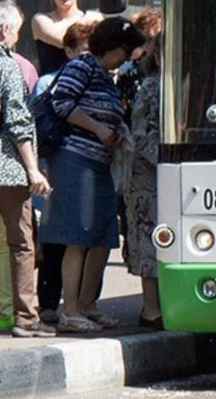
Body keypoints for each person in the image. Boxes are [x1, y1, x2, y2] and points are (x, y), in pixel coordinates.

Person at [39, 16, 146, 333]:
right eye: (125, 51)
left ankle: (87, 305)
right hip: (74, 160)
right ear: (110, 45)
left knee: (102, 235)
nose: (126, 58)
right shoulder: (82, 66)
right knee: (78, 235)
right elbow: (62, 103)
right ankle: (70, 309)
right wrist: (99, 128)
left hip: (99, 162)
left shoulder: (105, 75)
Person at [0, 0, 54, 338]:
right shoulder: (6, 67)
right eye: (17, 31)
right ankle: (25, 318)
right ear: (5, 31)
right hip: (6, 170)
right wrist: (33, 169)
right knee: (21, 244)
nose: (17, 37)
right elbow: (18, 123)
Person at [31, 20, 94, 324]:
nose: (87, 57)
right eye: (82, 51)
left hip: (84, 166)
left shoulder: (97, 80)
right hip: (55, 163)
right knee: (55, 235)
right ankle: (48, 302)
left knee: (80, 237)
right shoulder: (47, 82)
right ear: (68, 52)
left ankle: (80, 303)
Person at [125, 31, 162, 329]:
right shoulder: (151, 86)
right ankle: (151, 310)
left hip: (164, 172)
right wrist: (167, 160)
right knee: (149, 240)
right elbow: (141, 133)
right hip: (148, 177)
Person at [31, 0, 103, 76]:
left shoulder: (95, 17)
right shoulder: (41, 20)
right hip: (54, 89)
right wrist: (86, 23)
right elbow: (66, 41)